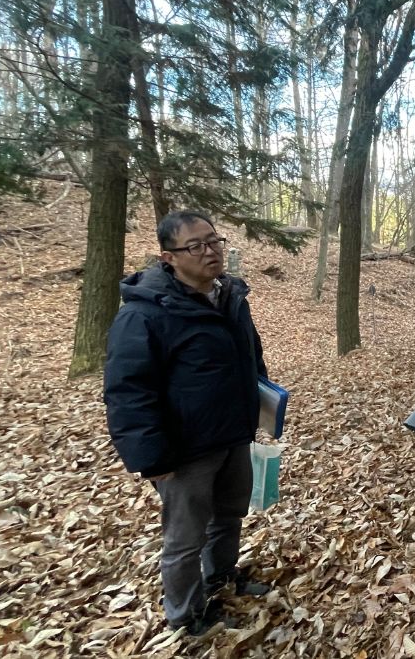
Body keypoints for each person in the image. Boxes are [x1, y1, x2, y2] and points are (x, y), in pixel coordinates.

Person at [104, 210, 272, 637]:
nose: (210, 251)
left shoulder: (232, 297)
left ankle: (220, 578)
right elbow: (129, 390)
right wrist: (150, 456)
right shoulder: (144, 315)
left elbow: (250, 357)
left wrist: (265, 403)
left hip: (233, 434)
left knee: (229, 515)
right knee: (184, 539)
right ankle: (185, 615)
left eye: (214, 241)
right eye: (195, 245)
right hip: (184, 450)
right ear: (169, 257)